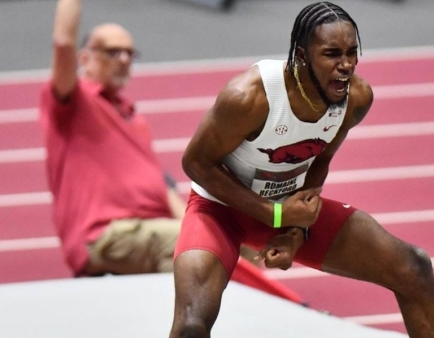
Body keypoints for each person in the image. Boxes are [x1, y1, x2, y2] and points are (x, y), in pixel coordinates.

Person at [170, 2, 434, 338]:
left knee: (413, 268)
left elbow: (319, 159)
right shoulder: (249, 98)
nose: (346, 65)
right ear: (303, 56)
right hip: (220, 211)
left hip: (287, 209)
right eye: (332, 54)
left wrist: (294, 232)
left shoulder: (356, 98)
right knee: (192, 324)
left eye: (352, 52)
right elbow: (195, 163)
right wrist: (273, 214)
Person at [38, 0, 267, 279]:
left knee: (241, 243)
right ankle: (183, 319)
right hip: (107, 233)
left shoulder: (134, 119)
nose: (123, 59)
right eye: (112, 52)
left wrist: (194, 224)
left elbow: (163, 185)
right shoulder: (75, 103)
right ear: (84, 58)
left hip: (153, 226)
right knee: (186, 247)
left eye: (128, 53)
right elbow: (63, 42)